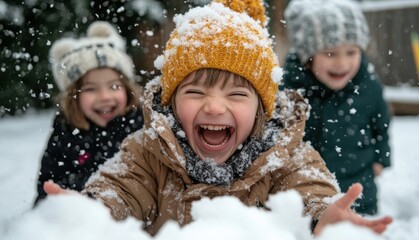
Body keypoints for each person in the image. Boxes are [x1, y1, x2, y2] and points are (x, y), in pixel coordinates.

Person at [43, 0, 392, 236]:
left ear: (261, 108)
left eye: (236, 94)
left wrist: (322, 217)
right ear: (171, 100)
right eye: (194, 92)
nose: (213, 107)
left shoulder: (285, 155)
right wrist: (93, 211)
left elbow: (308, 188)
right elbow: (120, 189)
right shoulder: (148, 151)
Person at [281, 0, 392, 215]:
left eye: (351, 52)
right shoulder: (292, 90)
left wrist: (381, 159)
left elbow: (381, 125)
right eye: (330, 53)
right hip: (307, 191)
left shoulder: (368, 86)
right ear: (308, 56)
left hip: (359, 190)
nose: (342, 63)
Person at [34, 21, 144, 205]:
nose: (105, 96)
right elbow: (49, 186)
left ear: (127, 89)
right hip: (84, 220)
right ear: (73, 97)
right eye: (91, 89)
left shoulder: (141, 124)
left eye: (114, 86)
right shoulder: (66, 132)